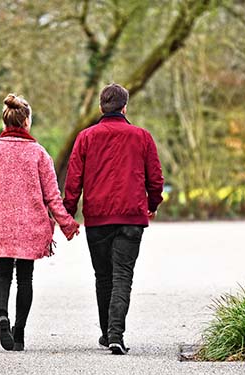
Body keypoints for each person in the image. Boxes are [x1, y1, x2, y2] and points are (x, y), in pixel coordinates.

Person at [0, 93, 79, 352]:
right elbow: (52, 196)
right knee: (25, 279)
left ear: (5, 122)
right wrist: (67, 224)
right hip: (31, 226)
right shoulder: (39, 154)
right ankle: (19, 334)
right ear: (26, 122)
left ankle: (2, 316)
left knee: (2, 274)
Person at [64, 83, 164, 355]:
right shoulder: (141, 137)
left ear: (101, 108)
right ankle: (115, 333)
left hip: (97, 218)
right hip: (131, 217)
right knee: (123, 275)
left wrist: (68, 214)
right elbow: (155, 178)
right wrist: (152, 204)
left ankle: (107, 333)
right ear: (125, 107)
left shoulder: (85, 138)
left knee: (103, 276)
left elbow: (73, 180)